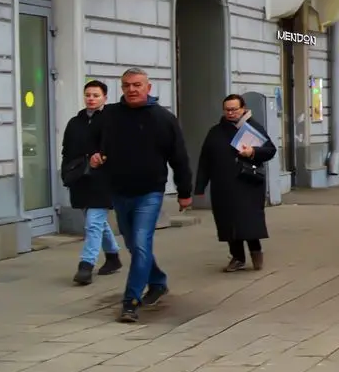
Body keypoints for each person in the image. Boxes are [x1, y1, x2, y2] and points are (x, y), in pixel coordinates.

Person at [88, 68, 192, 324]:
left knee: (142, 243)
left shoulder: (164, 119)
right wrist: (95, 154)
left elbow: (179, 158)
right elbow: (92, 141)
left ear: (148, 87)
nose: (132, 89)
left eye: (137, 85)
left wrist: (184, 192)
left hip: (149, 192)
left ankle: (130, 302)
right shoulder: (110, 115)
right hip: (120, 190)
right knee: (134, 245)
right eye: (126, 85)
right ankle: (157, 281)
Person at [196, 94, 277, 272]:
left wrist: (253, 152)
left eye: (234, 109)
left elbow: (270, 150)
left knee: (248, 221)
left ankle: (256, 252)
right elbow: (205, 160)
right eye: (227, 110)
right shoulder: (215, 132)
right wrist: (200, 186)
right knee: (228, 222)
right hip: (222, 185)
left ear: (243, 109)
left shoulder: (252, 128)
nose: (231, 113)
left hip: (247, 183)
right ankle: (237, 257)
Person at [60, 80, 123, 286]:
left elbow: (117, 147)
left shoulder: (111, 120)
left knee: (93, 223)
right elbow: (66, 150)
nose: (91, 99)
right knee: (97, 222)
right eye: (88, 94)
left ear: (105, 97)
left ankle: (85, 266)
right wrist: (66, 172)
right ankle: (113, 257)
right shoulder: (74, 122)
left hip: (103, 178)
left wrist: (104, 156)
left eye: (96, 95)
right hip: (80, 178)